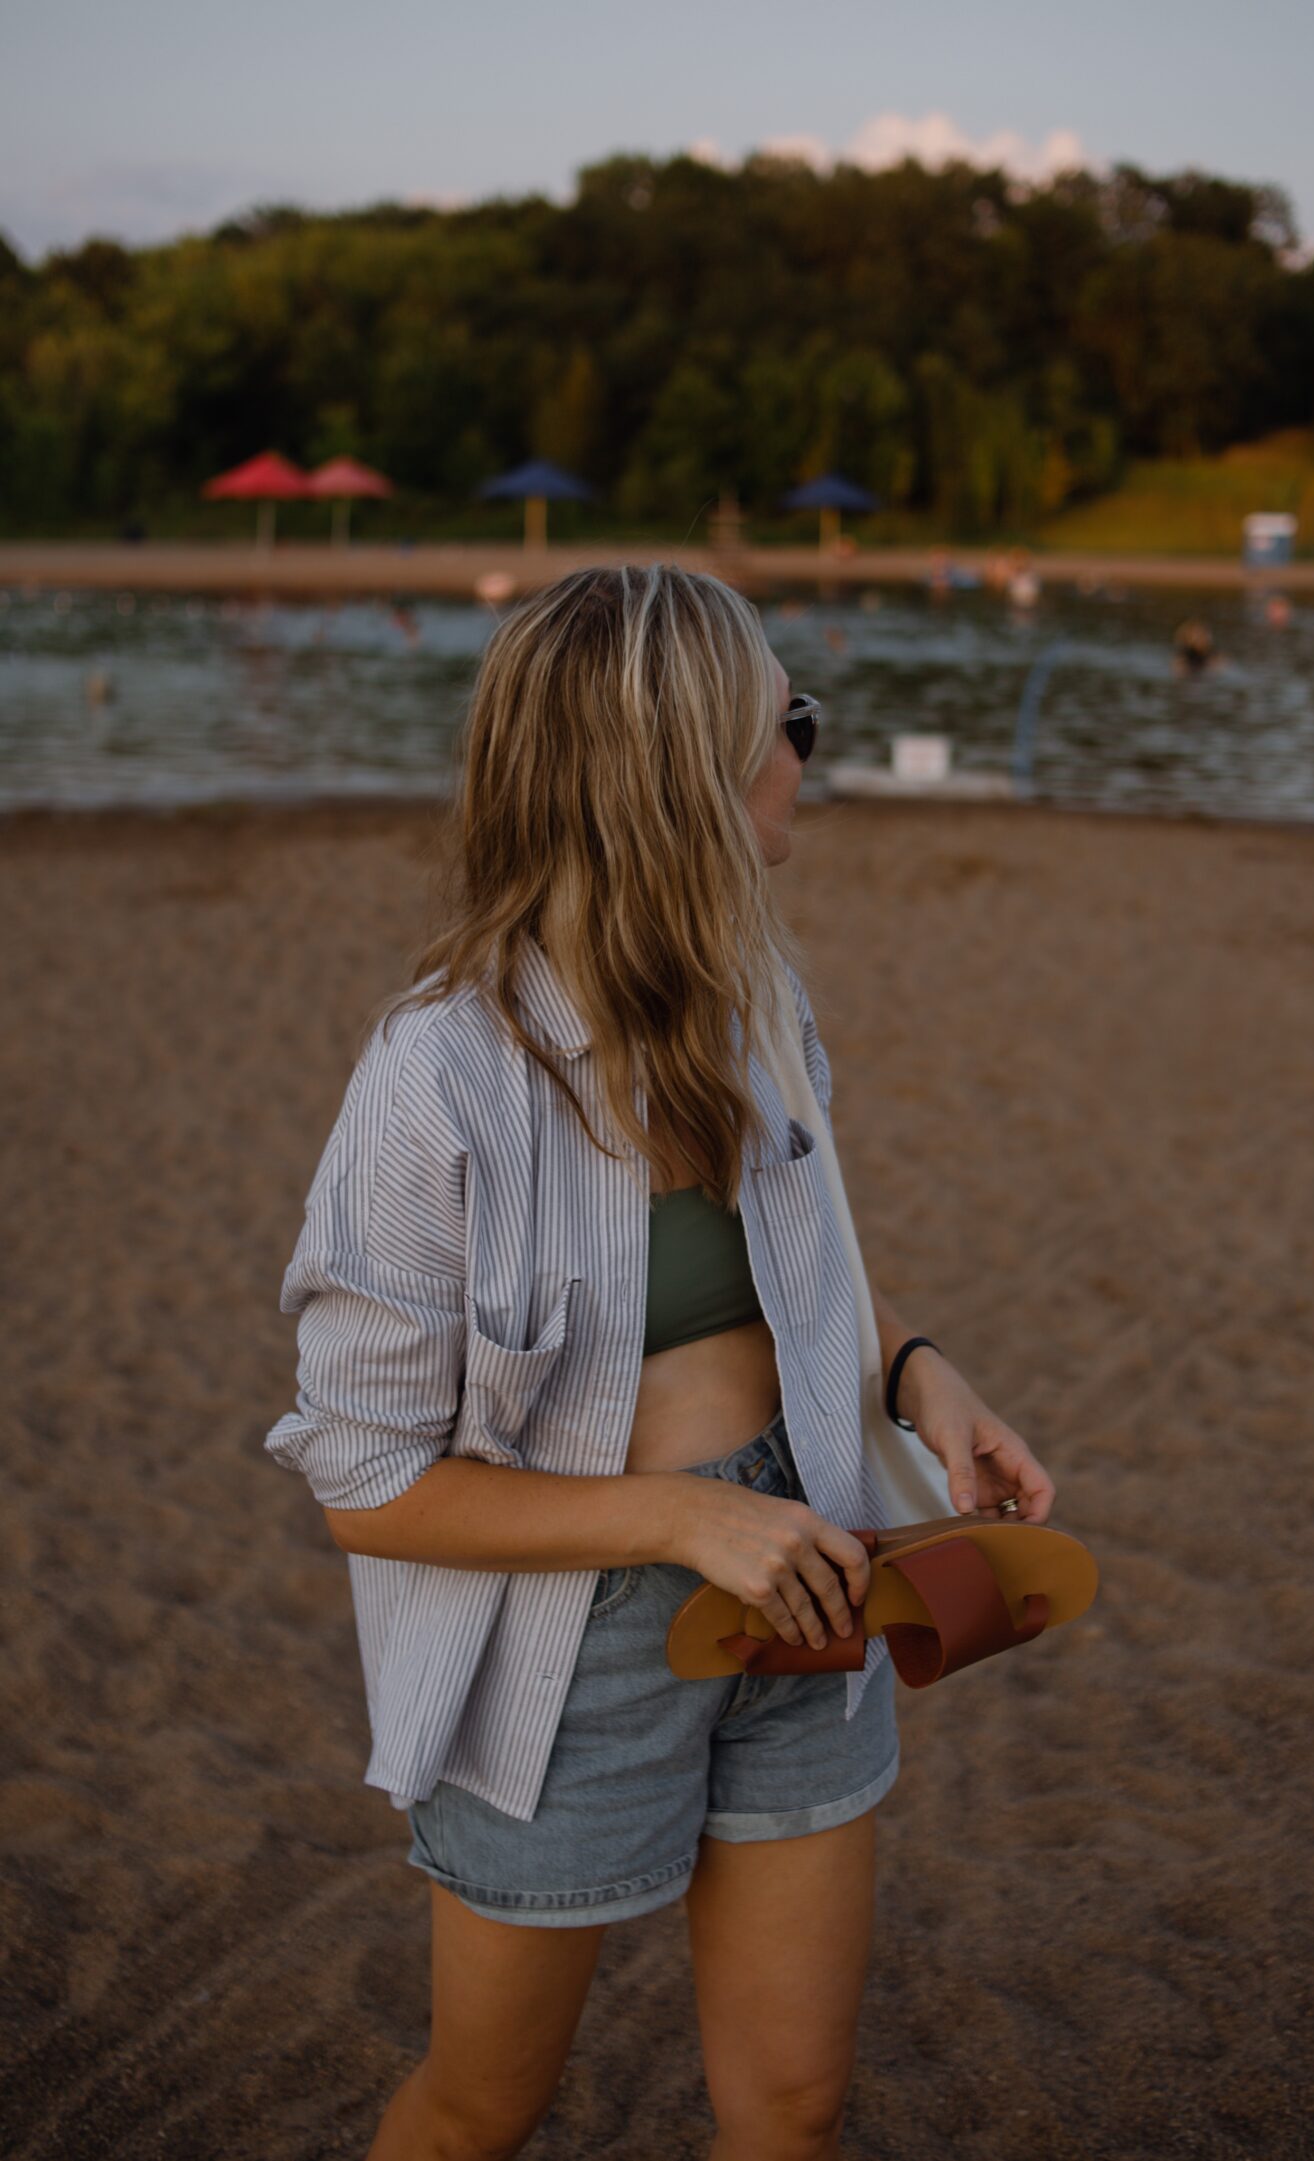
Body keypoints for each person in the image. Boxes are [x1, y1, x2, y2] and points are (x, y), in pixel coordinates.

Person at [265, 563, 1057, 2161]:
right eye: (792, 724)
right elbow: (362, 1484)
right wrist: (683, 1523)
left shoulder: (759, 997)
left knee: (791, 2105)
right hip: (571, 1644)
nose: (808, 757)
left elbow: (805, 1263)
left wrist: (913, 1372)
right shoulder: (439, 1074)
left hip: (814, 1559)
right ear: (684, 771)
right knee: (485, 2105)